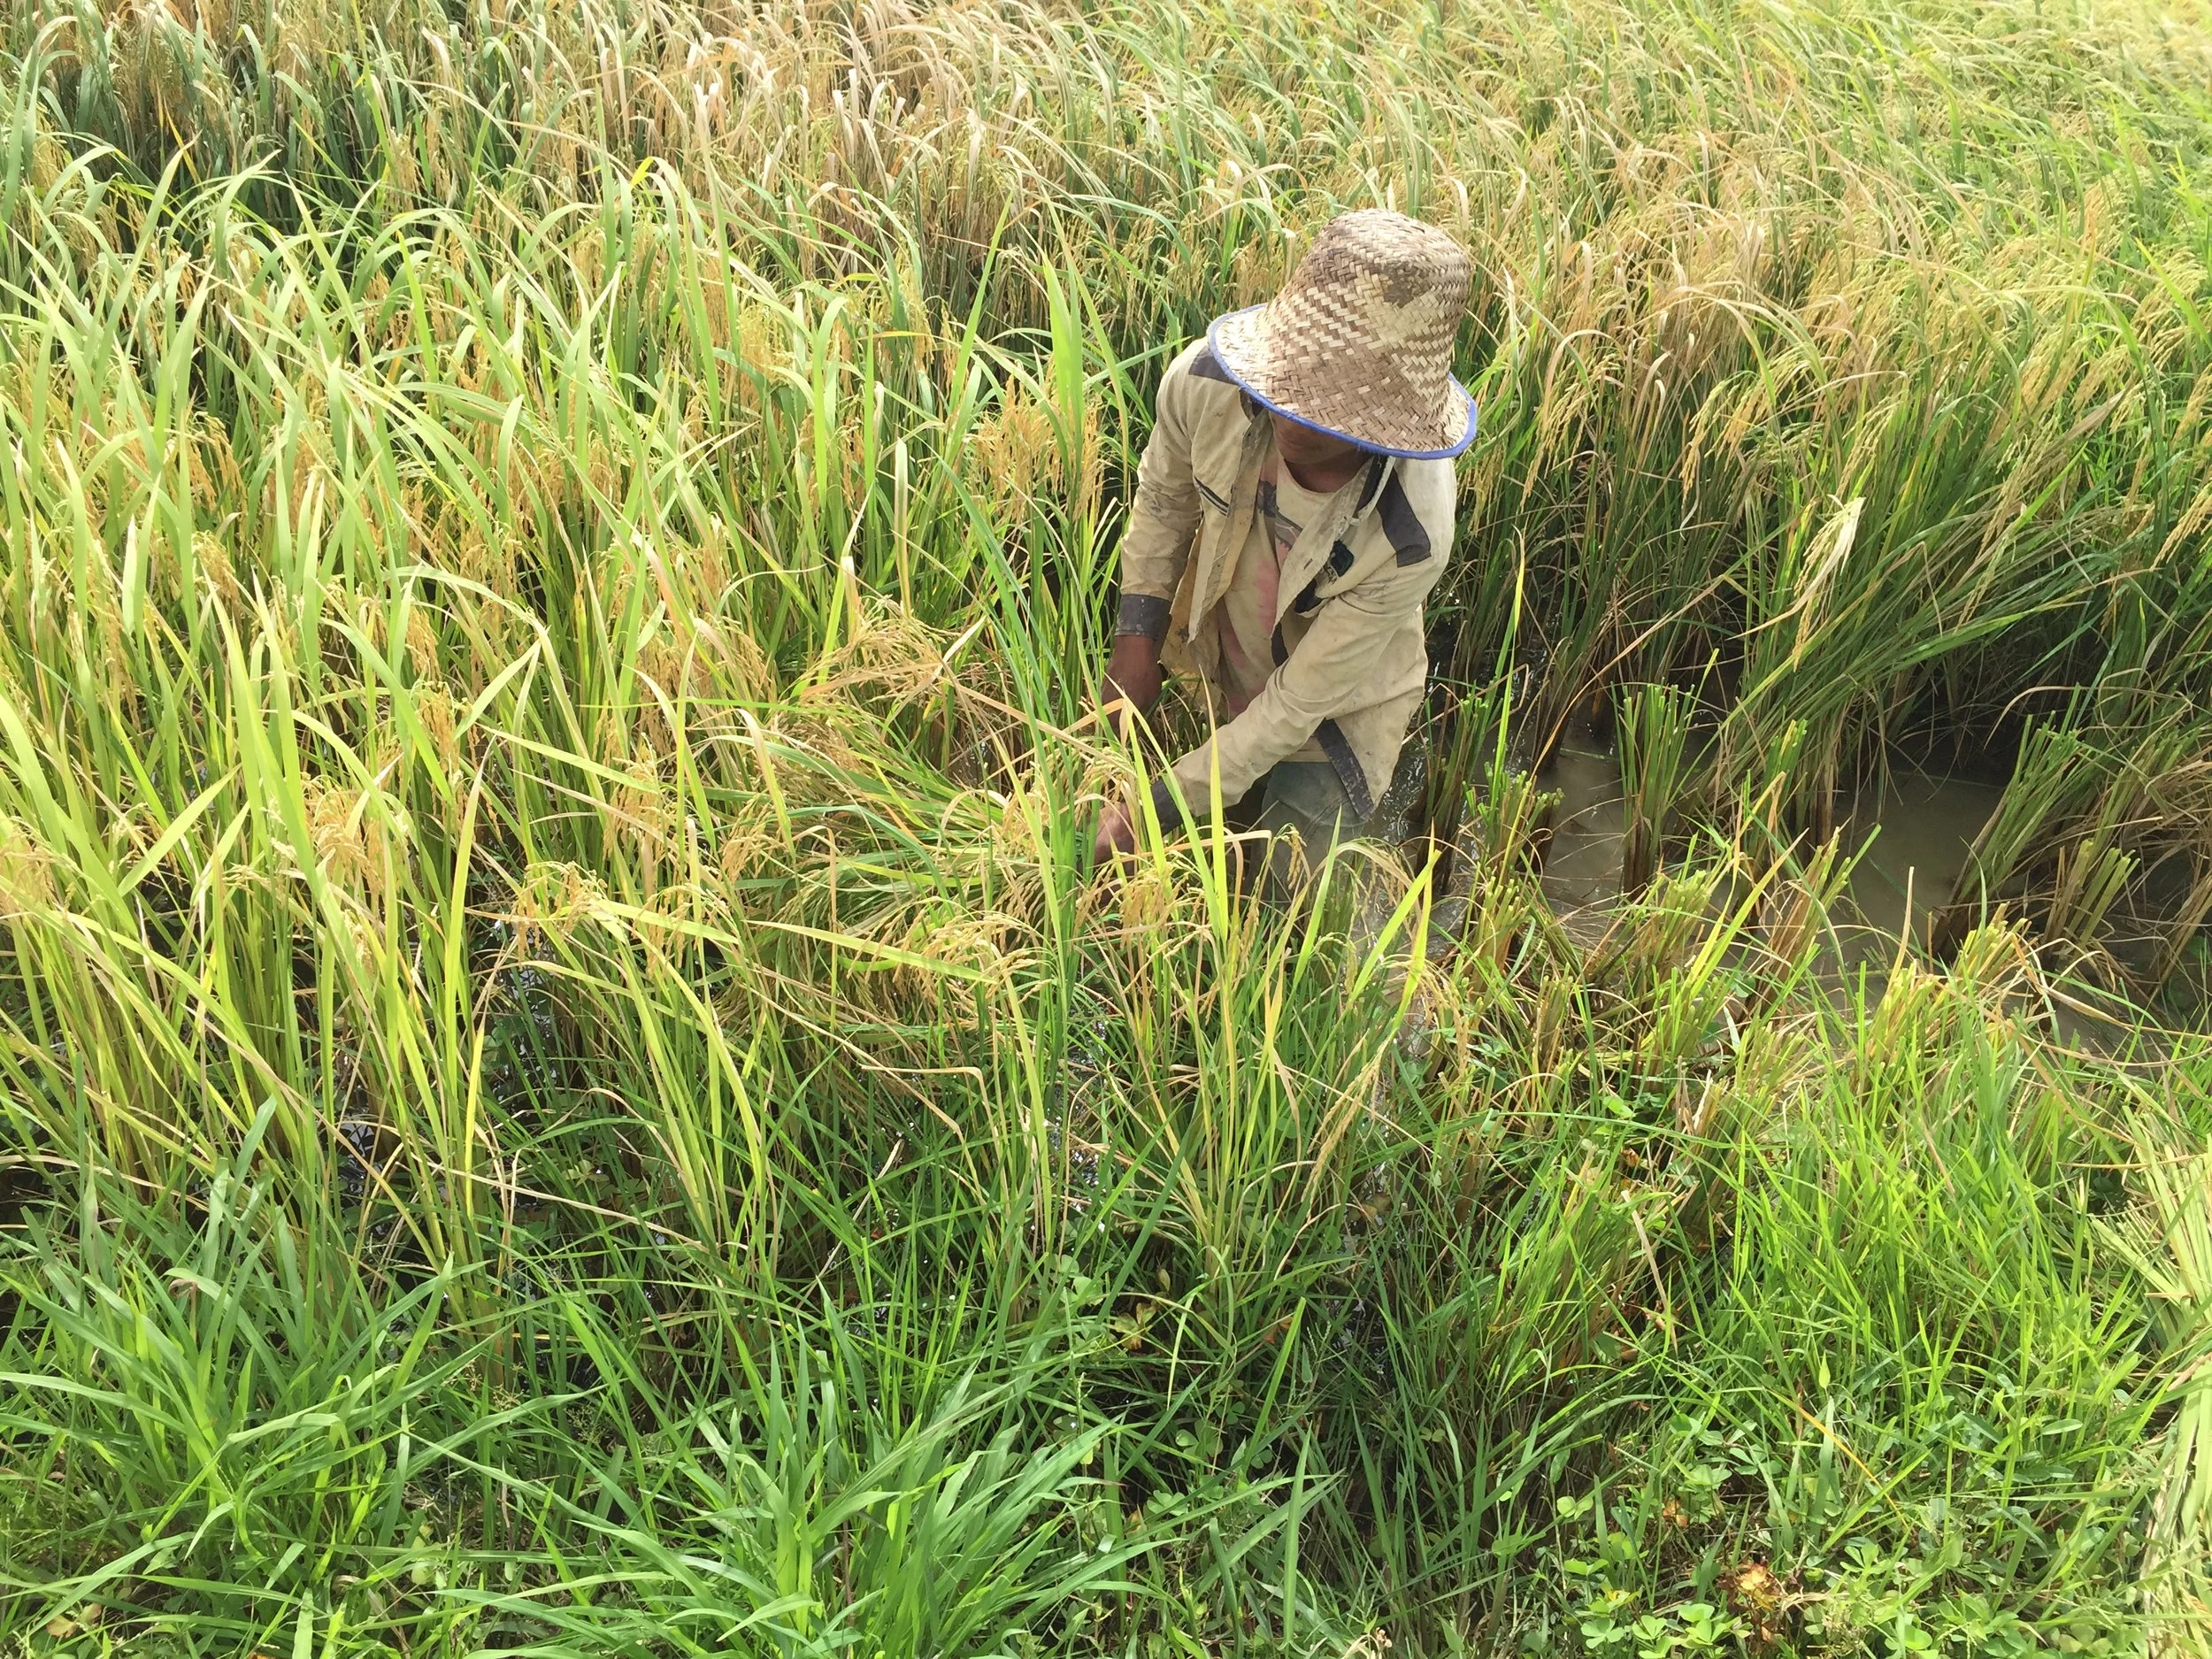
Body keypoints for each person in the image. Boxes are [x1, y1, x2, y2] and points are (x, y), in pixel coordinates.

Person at [1093, 208, 1478, 889]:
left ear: (1383, 423)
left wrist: (1151, 809)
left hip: (1331, 717)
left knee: (1291, 907)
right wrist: (1137, 639)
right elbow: (1162, 504)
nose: (1292, 416)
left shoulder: (1411, 533)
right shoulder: (1204, 385)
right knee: (1217, 847)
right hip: (1230, 657)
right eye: (1289, 386)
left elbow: (1297, 706)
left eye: (1328, 410)